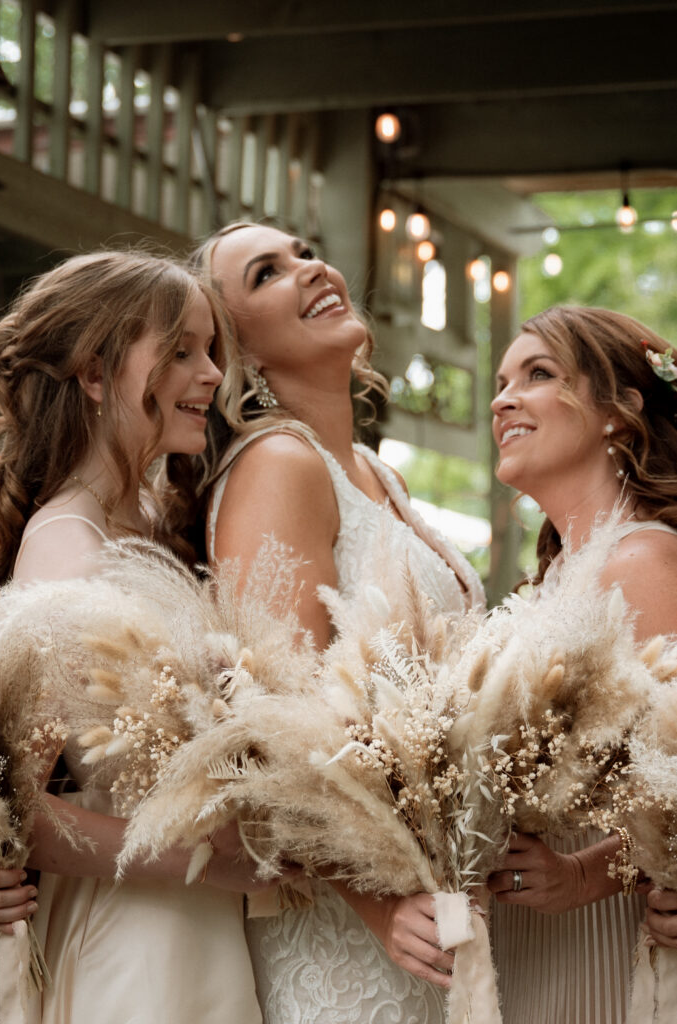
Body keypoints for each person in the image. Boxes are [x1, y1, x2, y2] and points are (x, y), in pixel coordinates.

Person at [188, 221, 486, 1023]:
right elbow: (277, 724)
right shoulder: (277, 465)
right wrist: (376, 905)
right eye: (266, 273)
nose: (309, 268)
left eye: (305, 252)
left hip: (433, 883)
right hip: (352, 920)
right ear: (238, 349)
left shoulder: (376, 473)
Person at [0, 250, 264, 1024]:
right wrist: (213, 864)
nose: (211, 374)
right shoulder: (66, 547)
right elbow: (22, 808)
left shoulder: (158, 527)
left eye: (210, 349)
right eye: (179, 351)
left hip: (206, 932)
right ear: (93, 373)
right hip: (133, 940)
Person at [486, 305, 677, 1024]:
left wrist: (581, 877)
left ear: (619, 413)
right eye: (501, 381)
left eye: (538, 375)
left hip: (602, 935)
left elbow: (675, 788)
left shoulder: (643, 559)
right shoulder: (554, 574)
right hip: (530, 928)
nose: (503, 398)